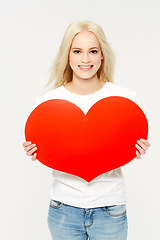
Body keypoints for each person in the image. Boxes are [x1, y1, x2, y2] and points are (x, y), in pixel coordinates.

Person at [23, 20, 150, 240]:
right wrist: (36, 149)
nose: (85, 59)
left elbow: (123, 144)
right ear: (68, 55)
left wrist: (136, 148)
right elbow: (51, 147)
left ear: (102, 55)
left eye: (93, 51)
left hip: (110, 208)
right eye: (77, 51)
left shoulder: (123, 100)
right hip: (63, 209)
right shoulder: (48, 102)